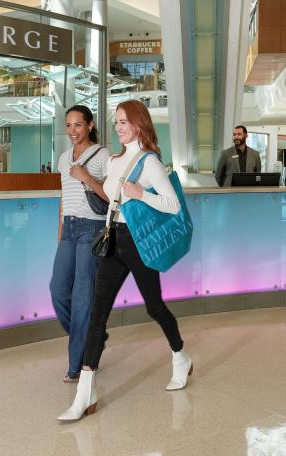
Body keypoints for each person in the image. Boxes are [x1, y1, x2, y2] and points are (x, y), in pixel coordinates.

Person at [58, 99, 192, 421]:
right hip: (113, 240)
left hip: (139, 243)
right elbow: (107, 201)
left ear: (139, 124)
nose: (118, 127)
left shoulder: (150, 162)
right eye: (116, 121)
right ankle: (84, 393)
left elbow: (173, 205)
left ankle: (180, 357)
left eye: (123, 121)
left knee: (154, 307)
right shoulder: (115, 160)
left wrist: (140, 193)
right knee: (97, 313)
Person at [50, 105, 110, 384]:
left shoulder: (102, 156)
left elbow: (111, 197)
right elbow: (64, 195)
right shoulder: (63, 158)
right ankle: (93, 336)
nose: (72, 131)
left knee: (83, 297)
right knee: (59, 291)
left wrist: (87, 177)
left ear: (89, 125)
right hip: (70, 229)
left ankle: (79, 363)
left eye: (78, 125)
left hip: (91, 228)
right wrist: (60, 228)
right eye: (68, 125)